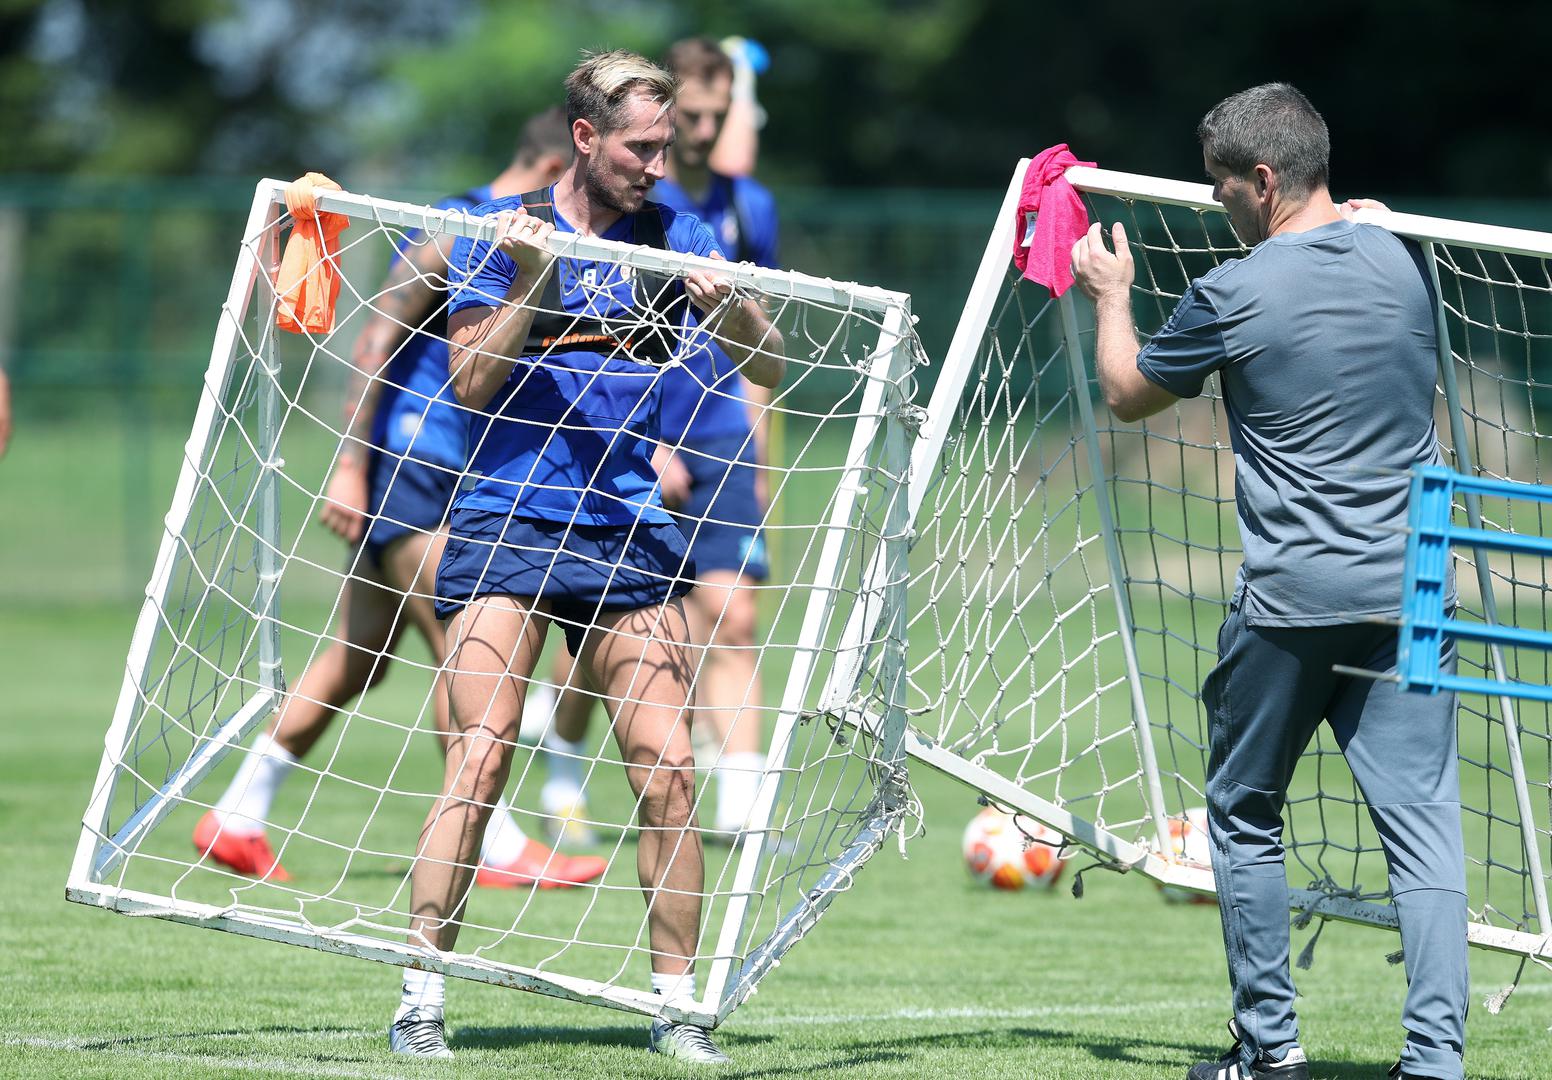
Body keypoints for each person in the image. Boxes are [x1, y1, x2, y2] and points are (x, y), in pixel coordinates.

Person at [388, 49, 784, 1062]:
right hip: (507, 521)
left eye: (664, 145)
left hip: (626, 530)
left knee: (667, 770)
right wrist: (532, 280)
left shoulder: (674, 231)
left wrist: (725, 305)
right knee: (480, 758)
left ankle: (676, 1008)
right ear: (584, 137)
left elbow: (766, 362)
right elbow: (472, 378)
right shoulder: (501, 229)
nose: (658, 163)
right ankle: (422, 997)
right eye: (639, 146)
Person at [1069, 83, 1466, 1080]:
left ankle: (1271, 1053)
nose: (1218, 208)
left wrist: (1110, 298)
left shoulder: (1230, 293)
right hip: (1413, 590)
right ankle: (1433, 1064)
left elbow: (1124, 396)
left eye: (1222, 190)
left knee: (1242, 813)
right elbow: (1358, 229)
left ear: (1262, 179)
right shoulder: (1402, 258)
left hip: (1292, 600)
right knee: (1423, 835)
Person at [194, 108, 607, 893]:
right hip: (418, 460)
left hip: (446, 469)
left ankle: (237, 818)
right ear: (566, 161)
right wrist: (352, 463)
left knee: (362, 658)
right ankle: (496, 842)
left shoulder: (539, 240)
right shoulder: (464, 223)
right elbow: (376, 333)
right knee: (472, 647)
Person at [530, 35, 779, 846]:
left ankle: (739, 810)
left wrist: (758, 449)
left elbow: (761, 354)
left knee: (732, 616)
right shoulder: (589, 220)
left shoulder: (738, 211)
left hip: (722, 435)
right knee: (599, 628)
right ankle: (562, 766)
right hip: (641, 441)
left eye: (708, 117)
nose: (695, 136)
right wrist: (653, 445)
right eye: (684, 121)